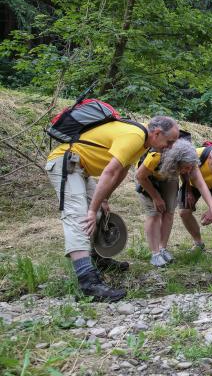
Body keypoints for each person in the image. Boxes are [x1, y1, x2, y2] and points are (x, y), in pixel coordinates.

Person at [46, 116, 180, 302]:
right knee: (80, 217)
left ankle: (98, 258)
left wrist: (104, 199)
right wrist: (91, 210)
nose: (170, 147)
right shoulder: (135, 136)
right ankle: (88, 282)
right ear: (157, 133)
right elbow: (109, 171)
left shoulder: (143, 142)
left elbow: (121, 170)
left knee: (101, 213)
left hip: (81, 168)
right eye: (169, 141)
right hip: (66, 162)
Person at [136, 139, 212, 267]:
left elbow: (201, 185)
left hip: (169, 177)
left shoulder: (191, 162)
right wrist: (156, 197)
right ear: (176, 162)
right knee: (155, 213)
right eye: (185, 168)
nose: (188, 171)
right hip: (148, 179)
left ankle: (163, 249)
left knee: (169, 212)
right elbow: (140, 176)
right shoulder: (155, 157)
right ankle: (155, 254)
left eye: (190, 168)